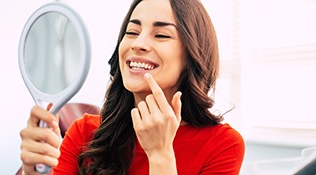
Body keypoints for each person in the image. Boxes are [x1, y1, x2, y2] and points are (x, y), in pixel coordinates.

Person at [20, 0, 245, 174]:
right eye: (132, 32)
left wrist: (160, 155)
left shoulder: (223, 145)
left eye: (161, 35)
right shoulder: (84, 132)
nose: (138, 44)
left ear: (192, 55)